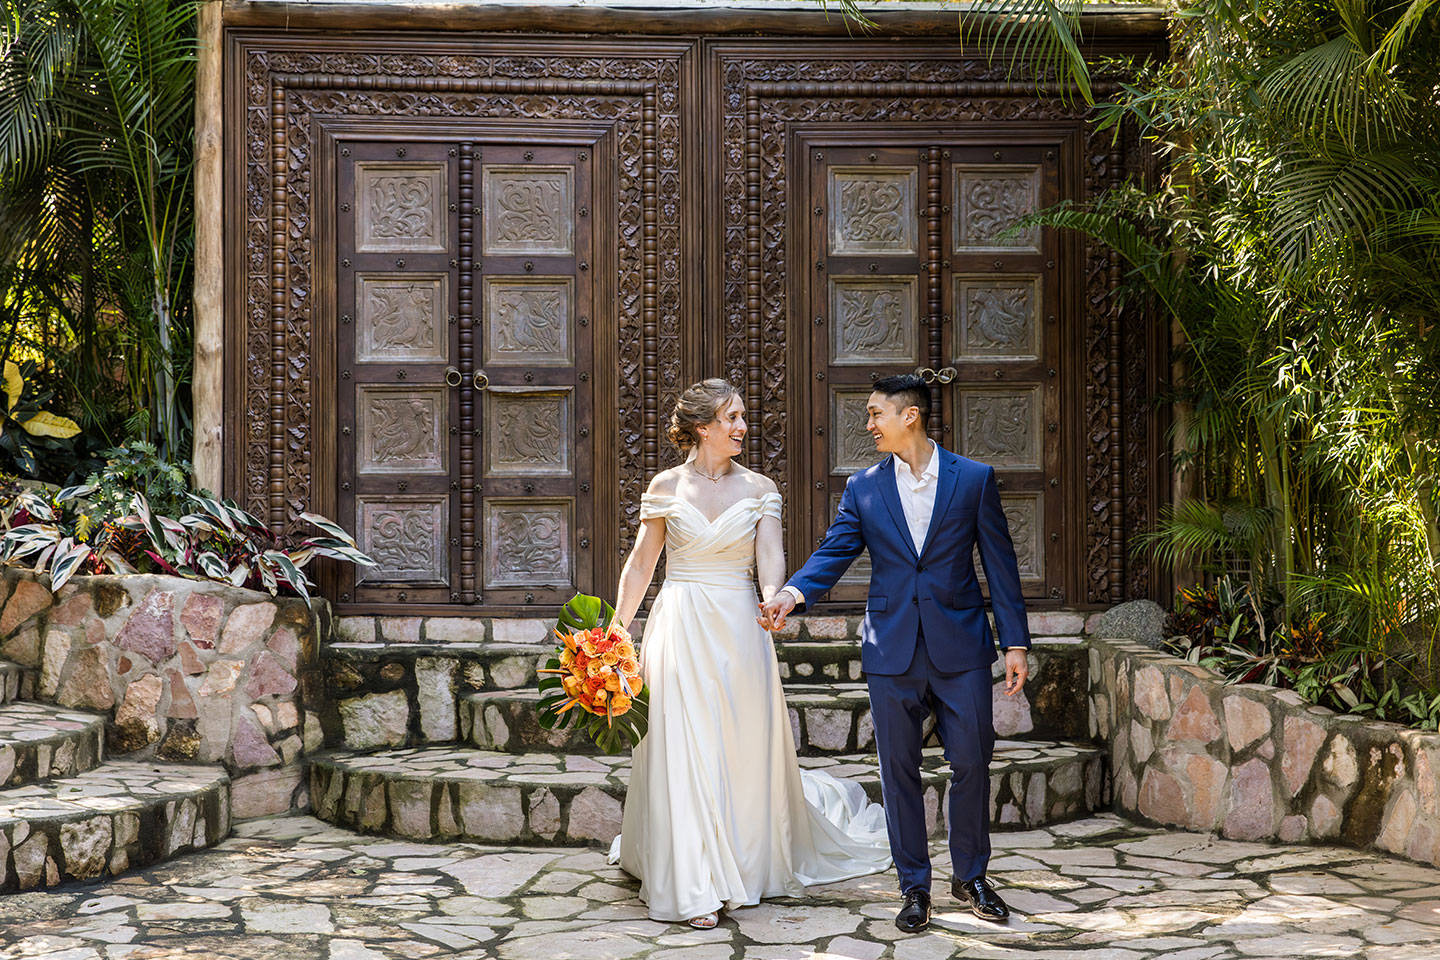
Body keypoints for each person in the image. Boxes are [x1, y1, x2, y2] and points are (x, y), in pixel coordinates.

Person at [607, 378, 891, 928]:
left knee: (735, 743)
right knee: (680, 745)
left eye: (741, 416)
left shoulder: (759, 487)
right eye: (731, 417)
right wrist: (616, 633)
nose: (742, 426)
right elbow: (643, 564)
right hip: (680, 621)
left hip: (739, 625)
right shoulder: (666, 486)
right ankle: (691, 881)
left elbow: (770, 557)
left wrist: (771, 601)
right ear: (701, 426)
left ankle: (741, 860)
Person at [759, 373, 1032, 933]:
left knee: (973, 762)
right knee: (898, 771)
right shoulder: (863, 487)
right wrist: (791, 593)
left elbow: (1000, 565)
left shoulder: (974, 479)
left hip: (962, 647)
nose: (868, 424)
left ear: (910, 416)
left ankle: (972, 877)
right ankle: (914, 887)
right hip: (891, 649)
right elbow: (835, 552)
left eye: (875, 413)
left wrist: (1016, 642)